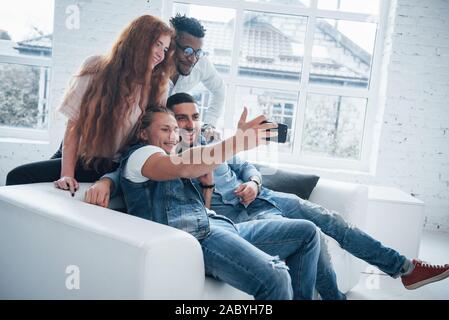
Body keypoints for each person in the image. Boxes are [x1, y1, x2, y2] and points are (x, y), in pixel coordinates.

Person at [163, 92, 449, 299]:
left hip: (265, 196)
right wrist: (207, 186)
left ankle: (405, 268)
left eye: (195, 116)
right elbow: (201, 214)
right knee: (311, 237)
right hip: (241, 217)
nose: (190, 124)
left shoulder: (214, 142)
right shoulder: (174, 164)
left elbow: (247, 165)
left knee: (332, 220)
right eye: (181, 118)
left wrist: (253, 182)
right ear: (171, 124)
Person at [117, 107, 321, 300]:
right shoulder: (140, 155)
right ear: (143, 134)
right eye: (164, 129)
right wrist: (238, 140)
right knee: (276, 276)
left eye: (174, 130)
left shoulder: (173, 156)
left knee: (307, 233)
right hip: (197, 238)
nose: (173, 136)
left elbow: (194, 202)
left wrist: (208, 188)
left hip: (217, 225)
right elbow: (184, 166)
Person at [5, 15, 175, 195]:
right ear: (138, 40)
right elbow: (73, 126)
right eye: (157, 44)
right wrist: (67, 175)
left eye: (165, 49)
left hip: (117, 165)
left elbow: (152, 139)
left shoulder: (159, 87)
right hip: (84, 158)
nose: (161, 55)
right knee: (18, 178)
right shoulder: (95, 68)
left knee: (22, 179)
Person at [169, 14, 225, 140]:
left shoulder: (201, 63)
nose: (193, 59)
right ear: (172, 44)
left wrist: (209, 124)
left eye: (198, 52)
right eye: (187, 51)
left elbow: (219, 90)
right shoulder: (152, 68)